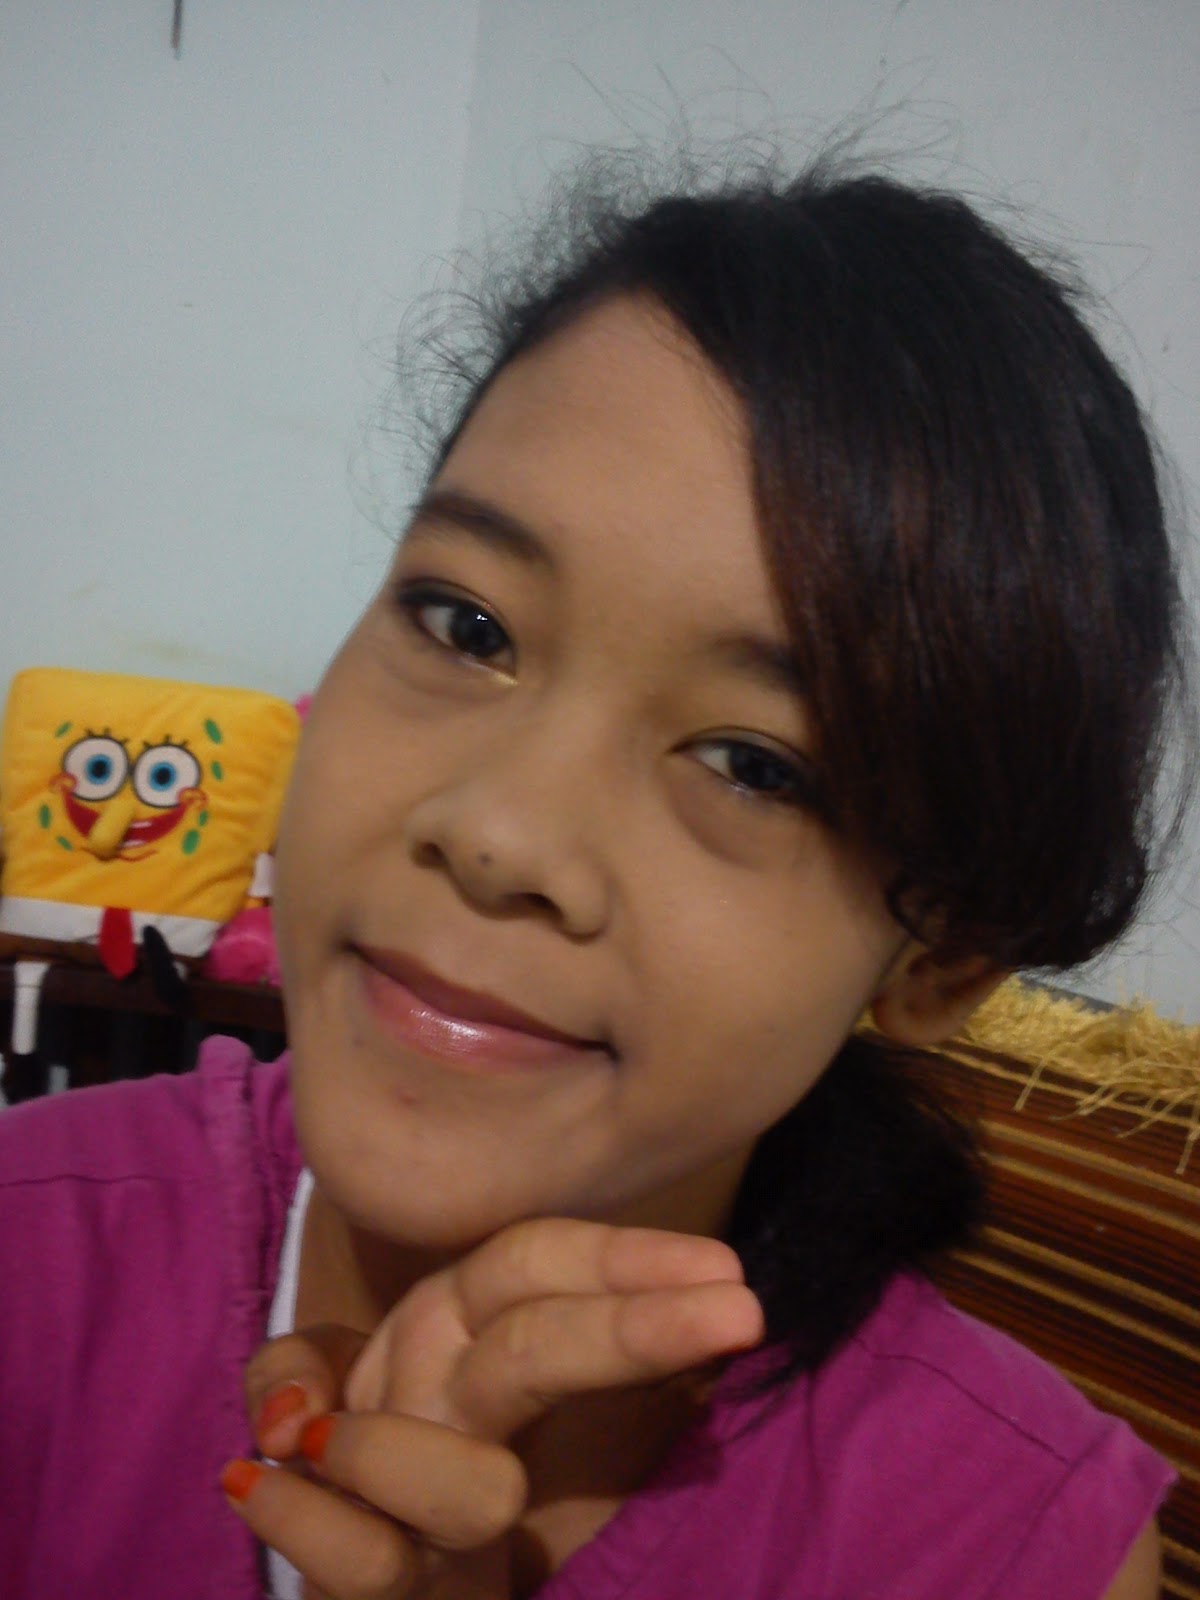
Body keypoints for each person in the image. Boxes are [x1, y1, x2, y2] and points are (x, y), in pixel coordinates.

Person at [0, 156, 1188, 1600]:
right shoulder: (30, 1260)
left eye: (753, 762)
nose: (498, 834)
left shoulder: (1013, 1552)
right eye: (466, 623)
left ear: (941, 954)